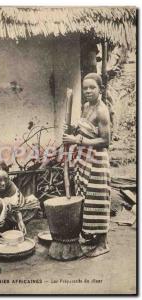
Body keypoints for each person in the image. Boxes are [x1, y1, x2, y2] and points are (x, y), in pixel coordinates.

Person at [63, 73, 111, 257]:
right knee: (88, 200)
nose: (88, 91)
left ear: (101, 89)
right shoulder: (86, 106)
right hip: (84, 160)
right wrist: (73, 130)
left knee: (98, 200)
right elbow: (85, 127)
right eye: (85, 88)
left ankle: (103, 243)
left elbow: (105, 141)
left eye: (92, 87)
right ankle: (94, 237)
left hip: (97, 161)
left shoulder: (102, 110)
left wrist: (77, 139)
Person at [0, 163, 40, 244]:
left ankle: (12, 226)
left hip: (6, 216)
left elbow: (16, 207)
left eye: (5, 179)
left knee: (34, 202)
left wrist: (20, 221)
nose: (3, 183)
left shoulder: (9, 185)